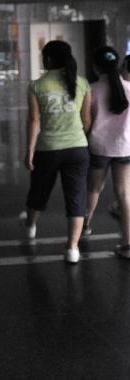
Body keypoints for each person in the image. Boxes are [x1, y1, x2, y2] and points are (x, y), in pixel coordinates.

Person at [25, 40, 91, 263]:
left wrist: (29, 151)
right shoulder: (82, 83)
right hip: (78, 148)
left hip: (49, 149)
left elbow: (34, 121)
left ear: (48, 59)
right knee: (76, 197)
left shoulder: (37, 85)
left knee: (39, 190)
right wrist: (80, 138)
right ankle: (72, 249)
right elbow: (87, 119)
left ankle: (31, 226)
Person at [83, 47, 130, 257]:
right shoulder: (129, 87)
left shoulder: (91, 89)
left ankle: (84, 227)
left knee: (94, 190)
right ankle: (127, 243)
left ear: (95, 67)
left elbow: (87, 121)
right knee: (124, 194)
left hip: (99, 148)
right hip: (124, 147)